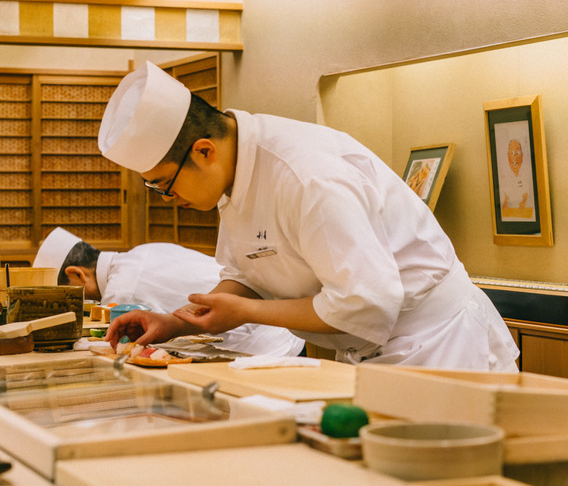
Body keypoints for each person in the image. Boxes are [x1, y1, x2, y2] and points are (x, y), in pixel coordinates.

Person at [98, 61, 520, 370]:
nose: (167, 198)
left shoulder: (306, 177)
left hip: (440, 347)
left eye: (163, 185)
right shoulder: (235, 175)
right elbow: (248, 275)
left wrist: (245, 314)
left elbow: (366, 302)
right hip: (371, 353)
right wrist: (175, 322)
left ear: (204, 151)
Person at [33, 226, 305, 357]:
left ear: (76, 274)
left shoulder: (122, 293)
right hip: (276, 328)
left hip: (268, 344)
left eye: (68, 294)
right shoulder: (141, 251)